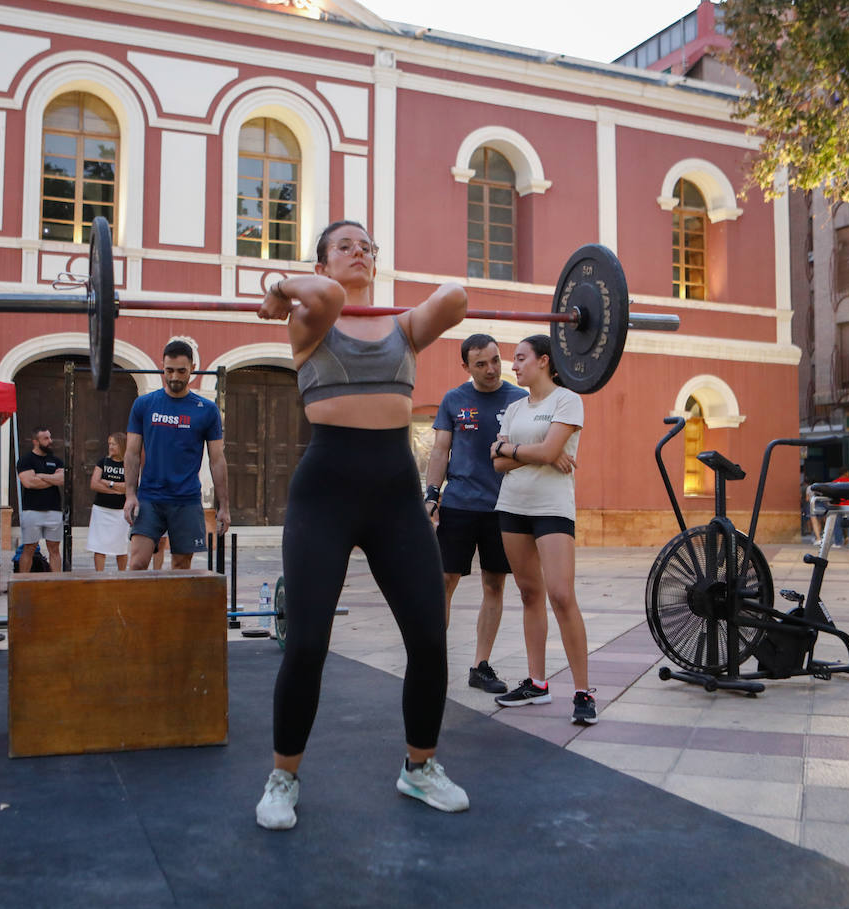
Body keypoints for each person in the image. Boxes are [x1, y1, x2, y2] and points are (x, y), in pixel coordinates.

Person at [252, 220, 468, 830]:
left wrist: (282, 285)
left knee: (429, 637)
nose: (360, 252)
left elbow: (455, 298)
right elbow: (326, 299)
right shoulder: (311, 318)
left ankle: (419, 768)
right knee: (309, 643)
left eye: (368, 247)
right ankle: (282, 778)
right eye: (345, 246)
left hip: (396, 495)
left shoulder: (403, 326)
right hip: (325, 494)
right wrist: (281, 286)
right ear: (320, 265)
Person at [488, 335, 595, 727]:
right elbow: (496, 463)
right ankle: (537, 683)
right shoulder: (515, 407)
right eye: (512, 360)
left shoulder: (566, 400)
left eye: (519, 358)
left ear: (544, 360)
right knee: (529, 593)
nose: (512, 366)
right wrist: (536, 453)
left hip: (552, 509)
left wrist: (512, 449)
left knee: (561, 595)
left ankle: (583, 692)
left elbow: (544, 453)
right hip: (512, 506)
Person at [423, 333, 526, 694]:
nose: (491, 369)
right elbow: (440, 451)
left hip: (503, 508)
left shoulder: (519, 398)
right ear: (465, 366)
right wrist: (431, 496)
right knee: (444, 582)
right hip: (459, 505)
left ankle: (480, 666)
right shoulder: (454, 400)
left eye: (496, 360)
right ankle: (431, 664)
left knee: (494, 584)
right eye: (481, 364)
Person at [123, 340, 229, 570]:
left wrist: (224, 506)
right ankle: (140, 608)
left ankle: (169, 608)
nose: (175, 377)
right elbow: (131, 453)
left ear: (192, 367)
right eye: (169, 370)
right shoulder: (144, 405)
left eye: (181, 371)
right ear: (163, 367)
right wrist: (130, 494)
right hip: (150, 497)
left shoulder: (207, 410)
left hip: (186, 500)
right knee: (137, 563)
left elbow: (217, 459)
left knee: (181, 566)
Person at [17, 427, 65, 573]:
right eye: (45, 438)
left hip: (53, 510)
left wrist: (41, 476)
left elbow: (62, 479)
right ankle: (23, 582)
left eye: (50, 437)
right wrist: (52, 479)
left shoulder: (56, 461)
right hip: (32, 511)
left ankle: (55, 583)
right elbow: (29, 482)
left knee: (54, 549)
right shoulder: (26, 460)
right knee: (29, 548)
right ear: (35, 441)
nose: (50, 441)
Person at [87, 432, 128, 571]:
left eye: (114, 444)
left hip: (121, 511)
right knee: (99, 545)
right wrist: (116, 489)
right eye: (109, 443)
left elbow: (128, 487)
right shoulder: (102, 462)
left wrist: (109, 483)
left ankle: (122, 576)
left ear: (121, 445)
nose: (110, 447)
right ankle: (99, 575)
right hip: (102, 509)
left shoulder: (128, 463)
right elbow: (94, 483)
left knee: (121, 546)